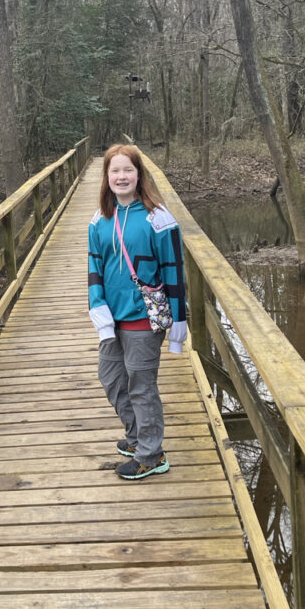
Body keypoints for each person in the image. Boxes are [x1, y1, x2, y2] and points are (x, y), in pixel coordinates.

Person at [88, 144, 187, 480]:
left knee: (141, 386)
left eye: (127, 170)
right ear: (106, 177)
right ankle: (137, 437)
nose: (121, 176)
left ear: (139, 174)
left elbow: (174, 269)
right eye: (114, 171)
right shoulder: (99, 221)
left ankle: (151, 454)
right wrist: (97, 307)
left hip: (145, 318)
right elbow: (94, 268)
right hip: (112, 319)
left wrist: (179, 322)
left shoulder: (159, 219)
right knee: (112, 378)